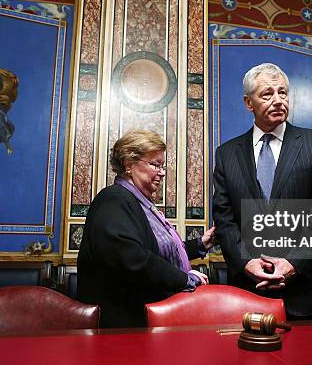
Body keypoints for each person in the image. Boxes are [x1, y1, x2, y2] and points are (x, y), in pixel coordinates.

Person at [212, 63, 312, 319]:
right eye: (267, 94)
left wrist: (292, 264)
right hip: (248, 291)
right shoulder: (226, 154)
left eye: (282, 93)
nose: (278, 100)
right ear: (249, 103)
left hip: (303, 290)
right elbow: (224, 219)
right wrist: (248, 263)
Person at [77, 129, 216, 328]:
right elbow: (132, 260)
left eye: (162, 166)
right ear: (128, 164)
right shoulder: (113, 199)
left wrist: (200, 244)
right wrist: (184, 279)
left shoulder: (137, 202)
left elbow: (155, 251)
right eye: (155, 165)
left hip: (141, 318)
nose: (162, 172)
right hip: (121, 326)